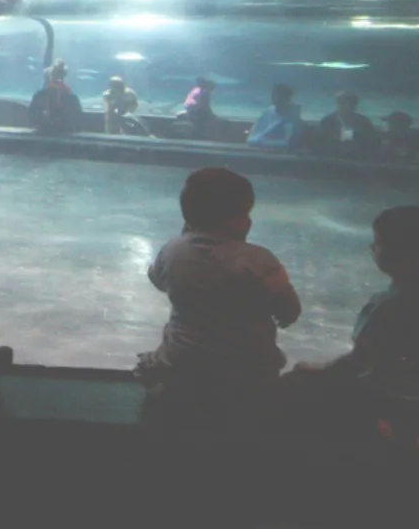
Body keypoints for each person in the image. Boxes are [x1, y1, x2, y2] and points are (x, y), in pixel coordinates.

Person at [135, 168, 301, 429]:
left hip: (182, 363)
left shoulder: (172, 251)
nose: (249, 221)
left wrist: (186, 238)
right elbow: (290, 310)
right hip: (247, 368)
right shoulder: (259, 260)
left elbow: (158, 280)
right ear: (234, 220)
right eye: (245, 214)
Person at [281, 206, 419, 444]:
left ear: (402, 254)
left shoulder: (388, 306)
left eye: (379, 242)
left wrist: (320, 372)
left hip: (395, 396)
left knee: (294, 384)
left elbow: (360, 361)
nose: (371, 248)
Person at [314, 90, 379, 158]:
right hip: (331, 160)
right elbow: (318, 143)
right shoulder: (327, 122)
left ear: (354, 105)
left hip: (357, 161)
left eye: (344, 103)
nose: (340, 106)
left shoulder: (364, 122)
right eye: (338, 102)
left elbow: (372, 144)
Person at [27, 59, 82, 135]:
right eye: (55, 74)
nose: (57, 78)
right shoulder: (40, 96)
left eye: (60, 74)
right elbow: (33, 118)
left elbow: (76, 121)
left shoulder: (72, 98)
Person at [247, 83, 303, 151]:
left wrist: (262, 142)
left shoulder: (293, 118)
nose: (275, 98)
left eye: (279, 95)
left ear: (288, 98)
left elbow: (289, 142)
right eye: (274, 94)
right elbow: (253, 136)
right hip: (261, 150)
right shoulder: (268, 112)